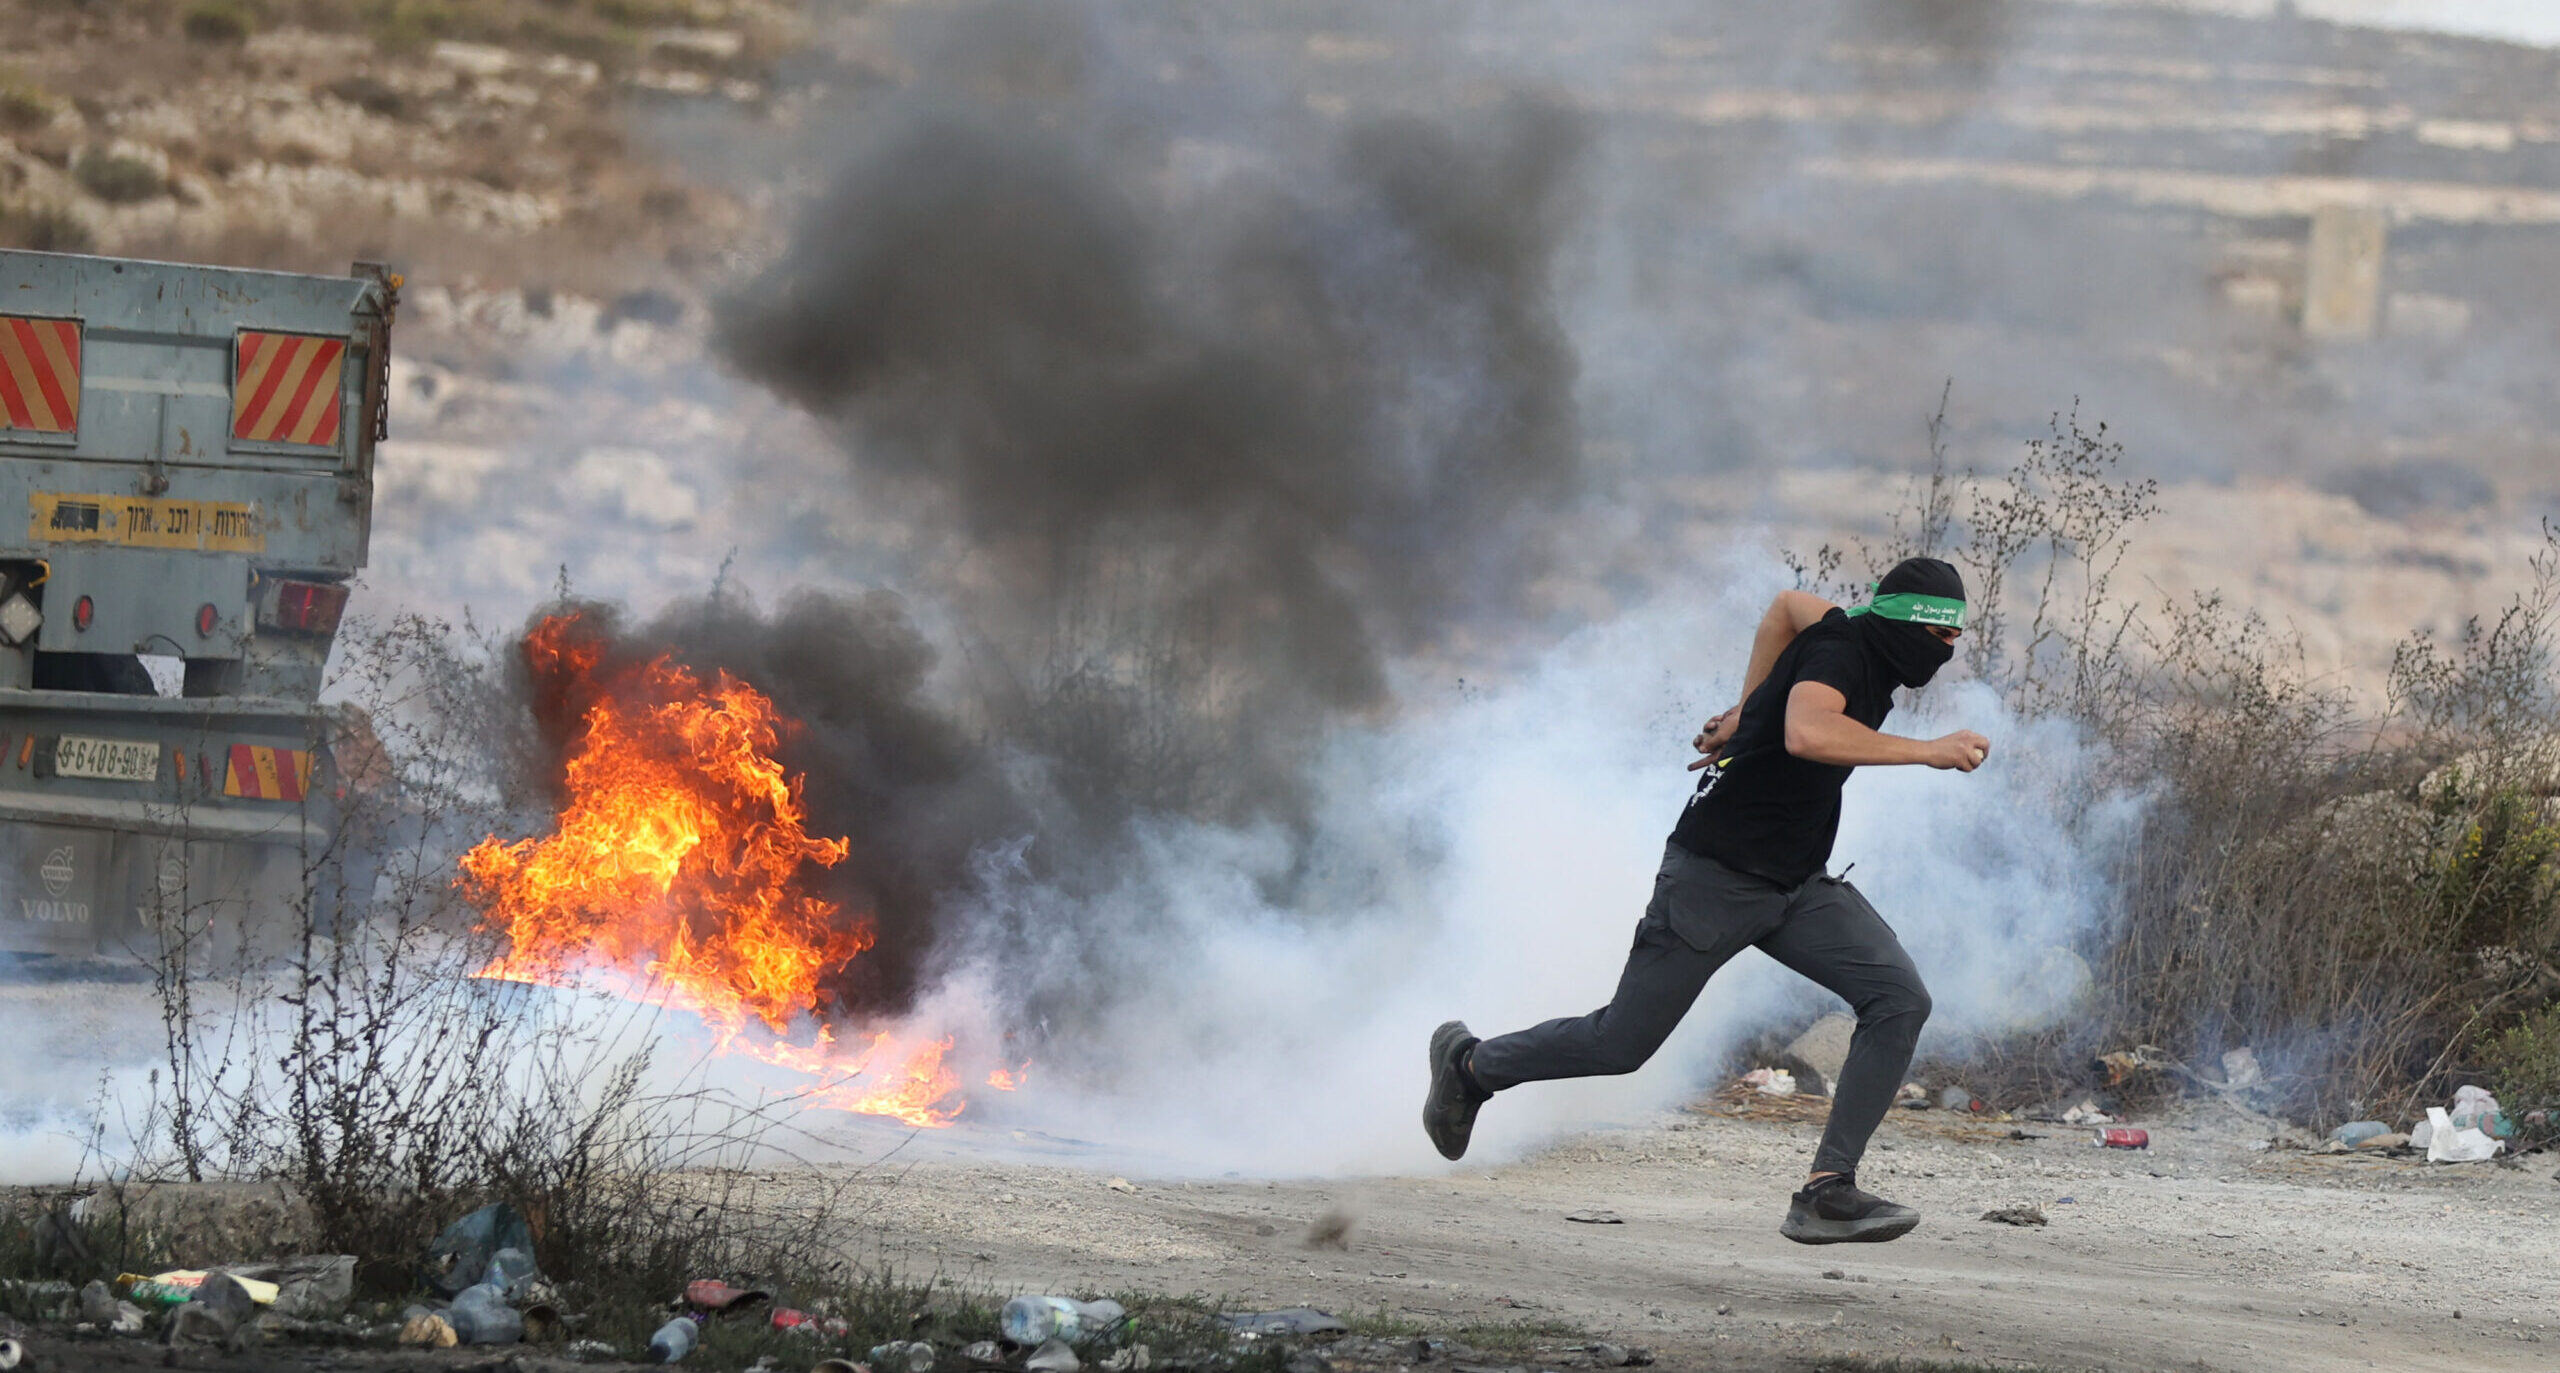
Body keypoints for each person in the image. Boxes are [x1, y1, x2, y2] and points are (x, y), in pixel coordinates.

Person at [1422, 556, 1991, 1244]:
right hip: (1713, 878)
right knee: (1621, 1042)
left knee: (1900, 997)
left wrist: (1742, 711)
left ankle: (1826, 1192)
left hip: (1795, 882)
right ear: (1907, 625)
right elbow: (1807, 732)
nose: (1949, 650)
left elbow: (1784, 606)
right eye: (1943, 636)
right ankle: (1472, 1064)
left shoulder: (1842, 624)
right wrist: (1926, 750)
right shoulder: (1843, 651)